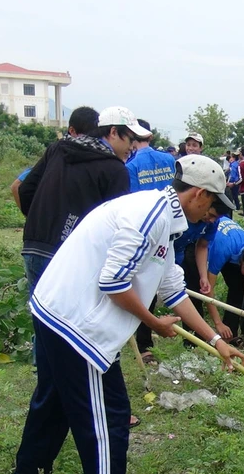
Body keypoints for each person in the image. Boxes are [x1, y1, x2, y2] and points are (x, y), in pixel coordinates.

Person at [3, 155, 244, 474]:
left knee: (53, 402)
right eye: (214, 206)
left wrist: (215, 340)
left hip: (56, 310)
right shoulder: (149, 215)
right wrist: (153, 323)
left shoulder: (169, 221)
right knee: (108, 414)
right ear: (198, 194)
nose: (214, 216)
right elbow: (113, 282)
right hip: (76, 323)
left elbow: (172, 289)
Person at [19, 106, 144, 299]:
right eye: (130, 139)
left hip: (34, 247)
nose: (133, 146)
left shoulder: (58, 149)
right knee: (67, 323)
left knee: (41, 316)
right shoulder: (115, 170)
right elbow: (117, 226)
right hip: (72, 256)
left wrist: (39, 222)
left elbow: (25, 189)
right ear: (112, 132)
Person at [126, 119, 177, 364]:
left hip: (146, 231)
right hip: (171, 228)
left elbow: (132, 201)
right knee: (170, 280)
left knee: (143, 287)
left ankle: (145, 345)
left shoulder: (131, 165)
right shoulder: (169, 160)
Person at [11, 106, 98, 207]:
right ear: (72, 131)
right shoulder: (56, 153)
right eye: (88, 135)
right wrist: (30, 215)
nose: (91, 141)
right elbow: (16, 186)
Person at [204, 217, 244, 344]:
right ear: (243, 265)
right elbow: (208, 290)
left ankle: (230, 333)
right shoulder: (221, 250)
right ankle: (199, 333)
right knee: (198, 286)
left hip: (232, 250)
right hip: (205, 238)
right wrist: (218, 323)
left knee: (239, 288)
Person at [126, 119, 175, 193]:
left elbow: (133, 197)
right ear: (150, 136)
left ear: (132, 135)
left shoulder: (131, 166)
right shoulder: (169, 158)